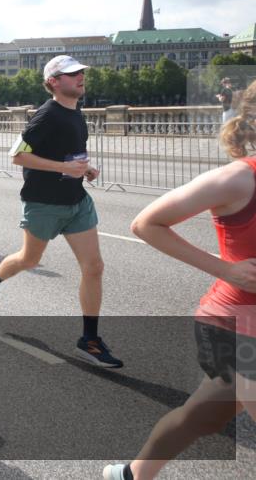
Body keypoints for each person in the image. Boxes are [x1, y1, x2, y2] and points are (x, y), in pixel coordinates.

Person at [103, 81, 256, 480]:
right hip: (235, 324)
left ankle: (132, 475)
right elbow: (146, 223)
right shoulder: (237, 180)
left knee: (198, 419)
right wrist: (225, 268)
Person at [0, 55, 123, 369]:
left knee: (94, 267)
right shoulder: (46, 115)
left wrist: (83, 169)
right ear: (54, 81)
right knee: (29, 260)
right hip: (44, 204)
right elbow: (16, 156)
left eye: (81, 72)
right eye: (72, 74)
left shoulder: (75, 111)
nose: (80, 77)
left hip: (76, 201)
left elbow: (66, 153)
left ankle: (90, 340)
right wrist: (63, 167)